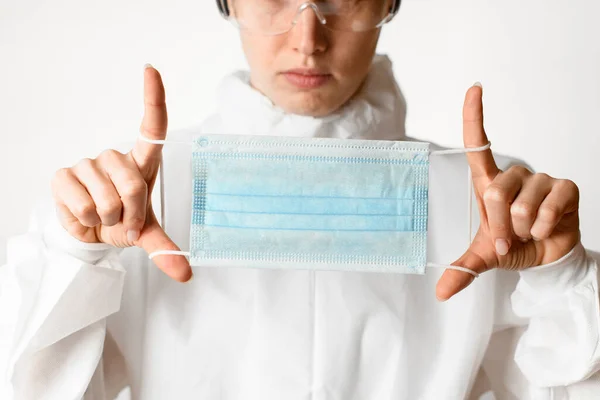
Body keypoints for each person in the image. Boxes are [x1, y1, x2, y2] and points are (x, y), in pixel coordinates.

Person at [1, 1, 599, 399]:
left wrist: (561, 277)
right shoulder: (123, 202)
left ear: (388, 3)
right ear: (229, 2)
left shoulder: (492, 208)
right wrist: (71, 256)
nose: (308, 38)